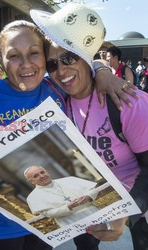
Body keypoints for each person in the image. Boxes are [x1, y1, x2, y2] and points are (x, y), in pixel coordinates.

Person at [0, 20, 138, 250]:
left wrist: (102, 71)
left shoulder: (57, 89)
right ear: (2, 62)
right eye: (14, 56)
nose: (25, 64)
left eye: (34, 53)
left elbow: (83, 70)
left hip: (48, 225)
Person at [30, 2, 148, 249]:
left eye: (68, 57)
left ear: (85, 56)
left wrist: (126, 210)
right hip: (87, 200)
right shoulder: (56, 100)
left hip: (136, 201)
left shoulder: (128, 102)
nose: (61, 70)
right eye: (52, 64)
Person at [24, 166, 101, 227]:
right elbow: (47, 214)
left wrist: (88, 196)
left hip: (94, 213)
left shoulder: (69, 179)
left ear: (47, 172)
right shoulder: (33, 197)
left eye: (42, 172)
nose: (42, 176)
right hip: (71, 223)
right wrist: (68, 207)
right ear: (31, 181)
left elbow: (92, 189)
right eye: (36, 176)